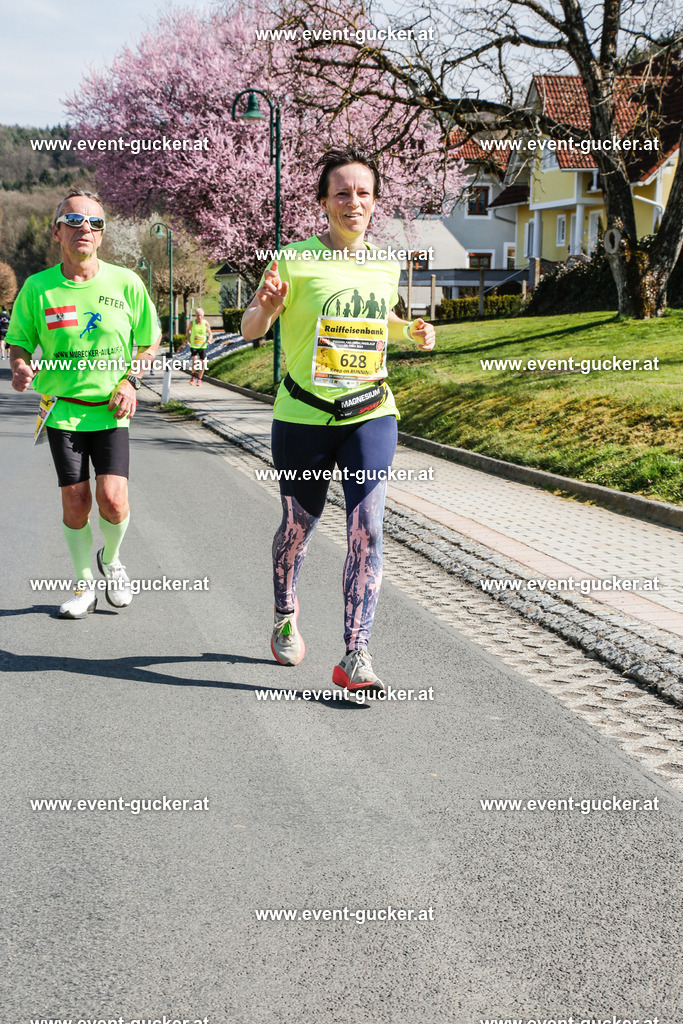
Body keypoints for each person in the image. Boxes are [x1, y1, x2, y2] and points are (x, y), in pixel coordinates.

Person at [241, 148, 435, 696]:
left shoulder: (384, 262)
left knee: (368, 530)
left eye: (364, 193)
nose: (354, 202)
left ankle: (356, 654)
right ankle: (285, 611)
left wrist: (410, 332)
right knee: (297, 529)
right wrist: (269, 305)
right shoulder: (291, 259)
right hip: (303, 414)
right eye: (342, 193)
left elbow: (381, 321)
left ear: (375, 203)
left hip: (370, 411)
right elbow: (253, 329)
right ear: (323, 201)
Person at [8, 188, 161, 618]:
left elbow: (150, 340)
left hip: (112, 410)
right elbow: (18, 341)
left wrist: (131, 380)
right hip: (63, 410)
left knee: (113, 499)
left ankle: (110, 560)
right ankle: (82, 585)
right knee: (76, 502)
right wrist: (19, 365)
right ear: (57, 232)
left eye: (94, 223)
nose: (84, 230)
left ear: (102, 234)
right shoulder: (38, 289)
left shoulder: (126, 282)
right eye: (74, 222)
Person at [186, 306, 212, 385]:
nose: (199, 317)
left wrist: (209, 340)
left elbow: (210, 333)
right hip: (194, 345)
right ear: (195, 315)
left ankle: (199, 379)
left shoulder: (205, 323)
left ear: (203, 315)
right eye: (197, 315)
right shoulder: (192, 323)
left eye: (200, 315)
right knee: (195, 362)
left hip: (202, 346)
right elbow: (188, 330)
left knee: (202, 363)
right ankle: (193, 376)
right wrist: (188, 339)